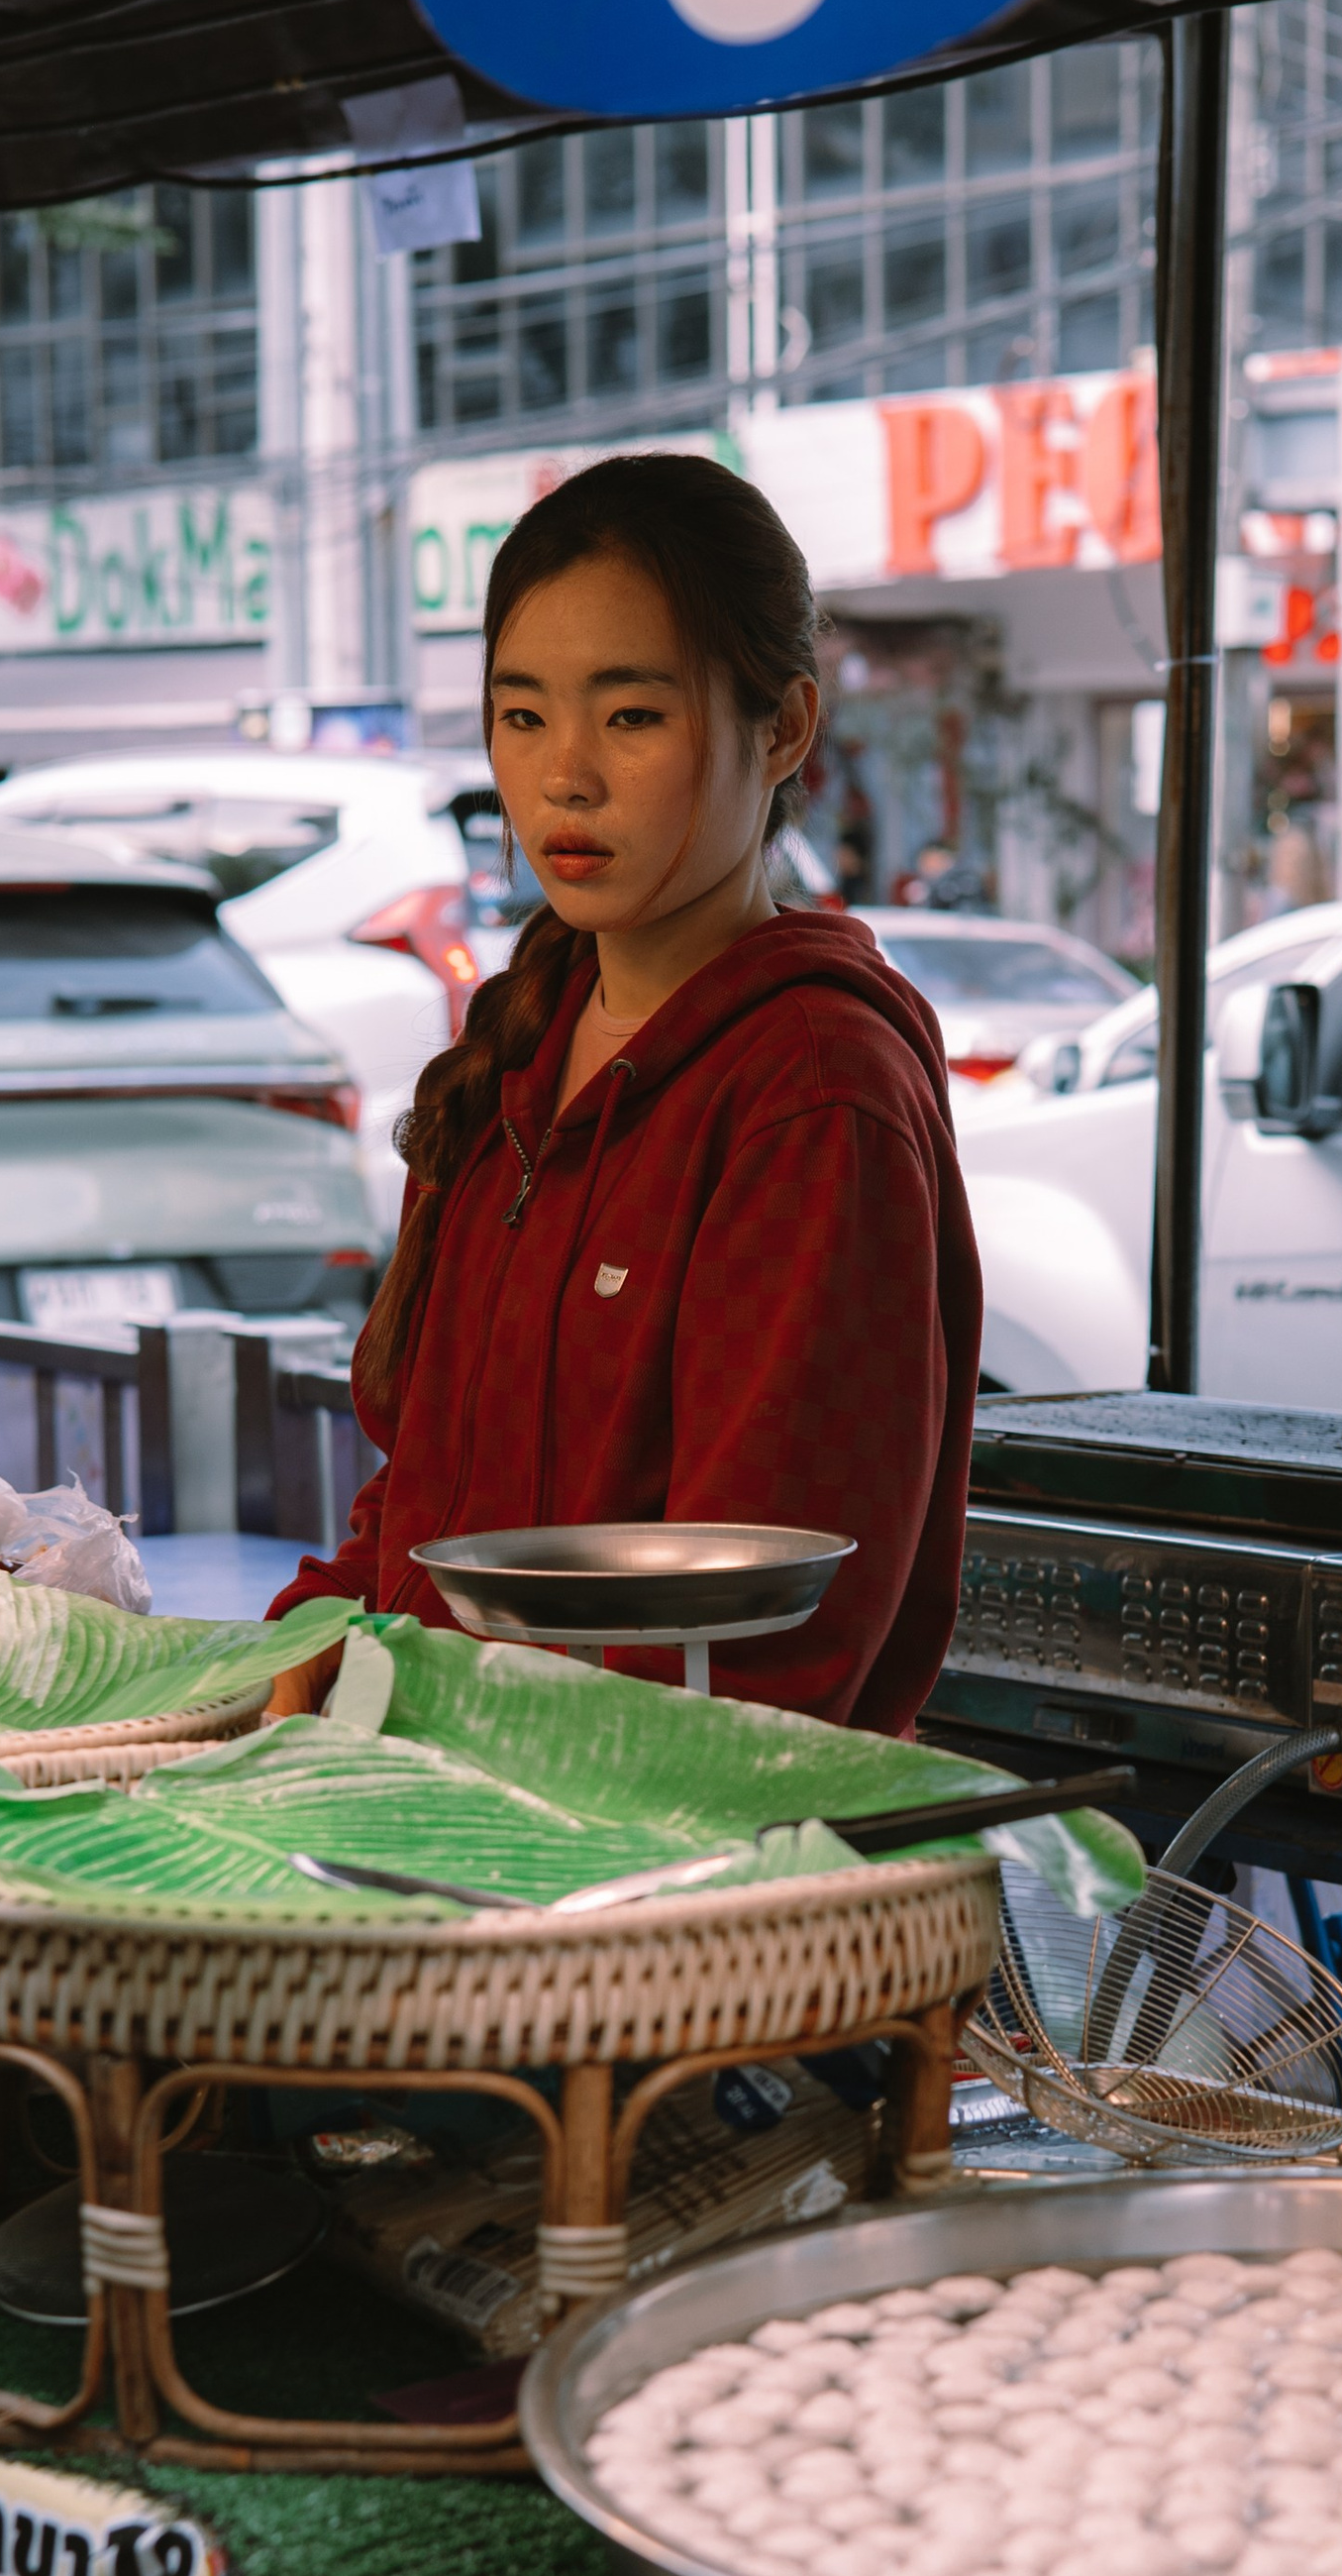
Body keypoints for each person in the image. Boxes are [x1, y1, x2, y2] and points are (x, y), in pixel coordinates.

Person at [267, 453, 981, 1735]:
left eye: (632, 715)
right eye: (523, 713)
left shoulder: (815, 1094)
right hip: (434, 1817)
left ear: (784, 729)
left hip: (672, 1881)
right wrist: (313, 1644)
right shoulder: (518, 1049)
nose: (565, 778)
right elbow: (418, 1513)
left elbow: (768, 1645)